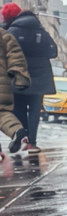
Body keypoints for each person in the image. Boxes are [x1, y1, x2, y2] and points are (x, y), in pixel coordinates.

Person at [1, 3, 58, 154]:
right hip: (39, 78)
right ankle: (32, 143)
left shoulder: (11, 31)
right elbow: (53, 52)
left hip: (18, 76)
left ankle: (22, 136)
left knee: (18, 108)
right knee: (34, 110)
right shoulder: (41, 31)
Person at [0, 26, 31, 156]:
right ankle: (18, 131)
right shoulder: (4, 35)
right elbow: (16, 56)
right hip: (2, 84)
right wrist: (20, 78)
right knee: (2, 113)